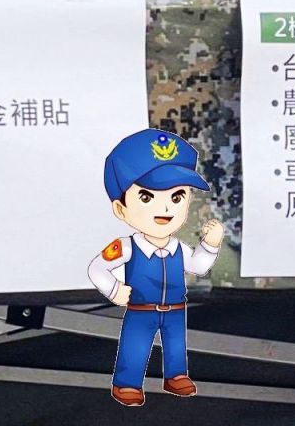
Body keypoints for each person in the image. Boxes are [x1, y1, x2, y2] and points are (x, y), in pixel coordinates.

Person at [87, 128, 225, 406]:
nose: (165, 208)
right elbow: (97, 268)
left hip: (176, 308)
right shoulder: (128, 246)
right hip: (141, 309)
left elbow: (198, 266)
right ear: (121, 208)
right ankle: (127, 383)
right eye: (147, 197)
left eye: (177, 197)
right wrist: (114, 290)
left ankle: (176, 376)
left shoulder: (178, 247)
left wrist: (210, 245)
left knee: (176, 346)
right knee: (135, 346)